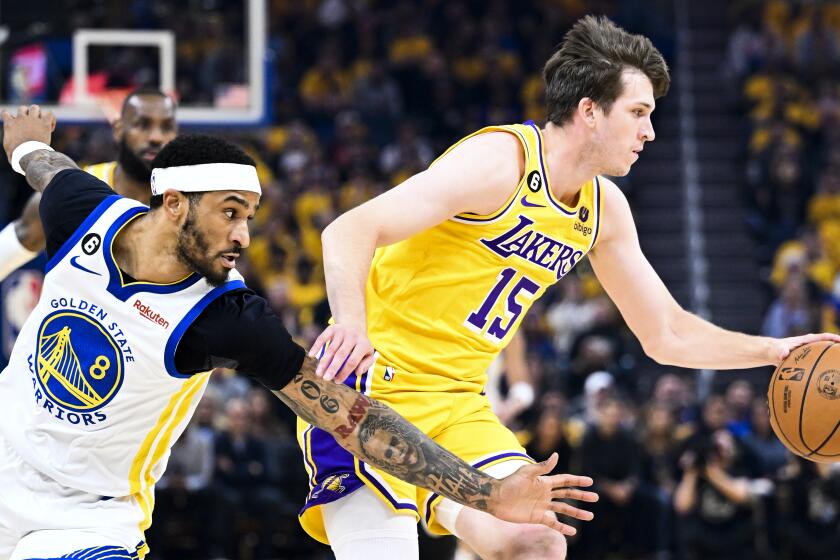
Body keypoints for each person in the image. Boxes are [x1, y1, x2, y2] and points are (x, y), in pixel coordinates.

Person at [302, 15, 840, 560]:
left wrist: (773, 351)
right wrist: (349, 322)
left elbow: (666, 333)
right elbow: (349, 229)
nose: (649, 132)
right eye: (638, 113)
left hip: (458, 406)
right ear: (589, 110)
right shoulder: (500, 163)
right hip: (367, 395)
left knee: (540, 542)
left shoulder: (604, 210)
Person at [0, 106, 597, 560]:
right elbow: (48, 169)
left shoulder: (228, 317)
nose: (243, 236)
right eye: (229, 212)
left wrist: (489, 496)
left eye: (250, 218)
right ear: (176, 203)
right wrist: (26, 139)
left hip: (82, 519)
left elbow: (352, 419)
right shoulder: (84, 213)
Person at [0, 87, 177, 280]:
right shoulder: (79, 186)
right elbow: (22, 236)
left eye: (166, 127)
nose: (156, 137)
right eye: (142, 125)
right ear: (118, 129)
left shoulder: (188, 199)